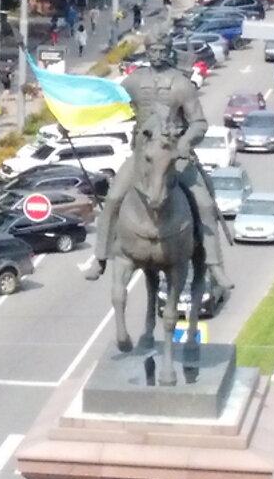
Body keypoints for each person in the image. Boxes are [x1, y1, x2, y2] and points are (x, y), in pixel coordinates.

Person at [85, 39, 229, 293]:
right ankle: (101, 257)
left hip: (175, 156)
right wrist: (74, 119)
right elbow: (106, 102)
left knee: (205, 204)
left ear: (170, 52)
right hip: (143, 157)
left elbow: (199, 122)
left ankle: (214, 262)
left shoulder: (181, 85)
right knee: (114, 198)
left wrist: (185, 142)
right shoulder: (134, 81)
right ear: (147, 51)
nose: (158, 55)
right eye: (153, 51)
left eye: (163, 51)